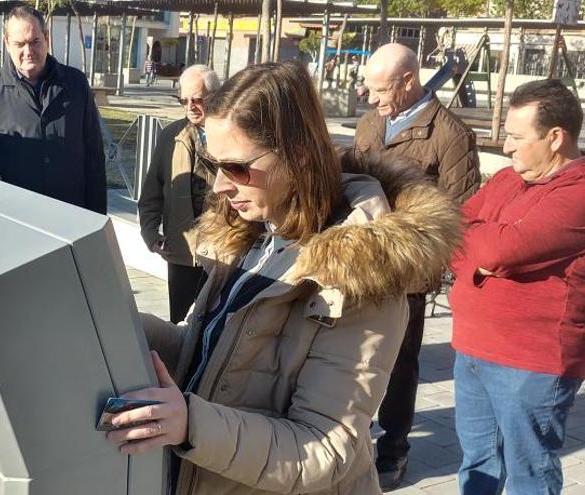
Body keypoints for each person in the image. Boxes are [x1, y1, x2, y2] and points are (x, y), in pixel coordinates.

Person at [106, 61, 460, 495]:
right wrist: (123, 328)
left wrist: (190, 424)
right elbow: (212, 356)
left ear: (298, 154)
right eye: (210, 162)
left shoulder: (363, 275)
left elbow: (324, 450)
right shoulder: (252, 233)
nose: (218, 185)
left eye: (235, 167)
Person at [353, 42, 481, 491]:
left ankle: (393, 450)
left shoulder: (450, 135)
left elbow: (461, 213)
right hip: (363, 266)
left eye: (380, 89)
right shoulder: (372, 122)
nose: (371, 99)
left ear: (408, 81)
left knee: (400, 365)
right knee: (356, 357)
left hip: (407, 274)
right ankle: (353, 441)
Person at [450, 79, 585, 495]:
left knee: (530, 474)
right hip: (471, 347)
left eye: (515, 137)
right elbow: (448, 230)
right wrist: (484, 250)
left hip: (531, 363)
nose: (505, 147)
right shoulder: (509, 179)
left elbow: (500, 250)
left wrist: (487, 249)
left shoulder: (578, 193)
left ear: (556, 137)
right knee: (477, 464)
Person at [0, 6, 106, 214]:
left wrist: (97, 216)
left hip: (70, 214)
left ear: (47, 38)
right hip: (14, 217)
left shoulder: (76, 84)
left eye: (35, 42)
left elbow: (94, 154)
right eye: (19, 44)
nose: (28, 51)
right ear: (6, 42)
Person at [137, 65, 218, 323]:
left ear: (215, 96)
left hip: (222, 254)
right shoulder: (171, 135)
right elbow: (151, 194)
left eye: (197, 99)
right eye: (184, 100)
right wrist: (151, 235)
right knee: (180, 328)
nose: (190, 106)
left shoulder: (233, 133)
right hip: (181, 254)